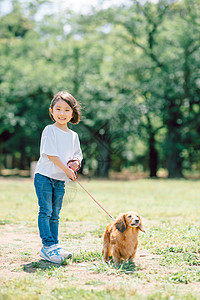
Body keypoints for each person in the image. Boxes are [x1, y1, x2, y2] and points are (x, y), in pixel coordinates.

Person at [34, 91, 82, 264]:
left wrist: (74, 165)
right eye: (58, 109)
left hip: (60, 179)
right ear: (51, 111)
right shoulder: (50, 130)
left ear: (72, 113)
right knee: (46, 211)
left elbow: (77, 156)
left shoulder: (73, 136)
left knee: (55, 213)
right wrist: (66, 170)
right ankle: (47, 247)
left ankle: (55, 245)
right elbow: (51, 155)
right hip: (44, 177)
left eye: (67, 110)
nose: (62, 113)